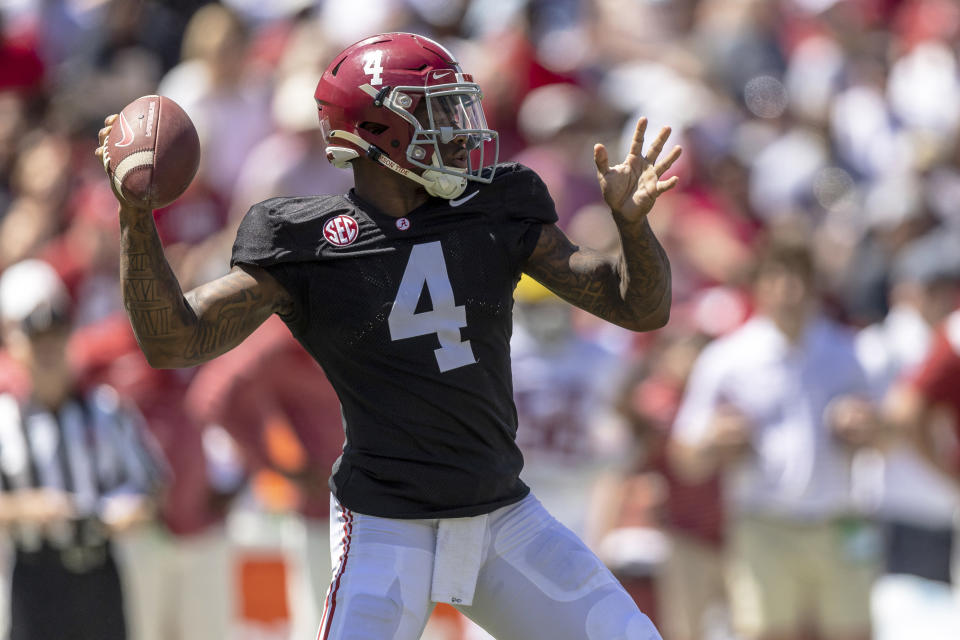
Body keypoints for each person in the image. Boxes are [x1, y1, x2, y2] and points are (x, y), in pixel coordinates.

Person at [96, 32, 677, 640]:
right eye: (437, 110)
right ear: (377, 131)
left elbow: (637, 309)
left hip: (502, 513)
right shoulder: (308, 240)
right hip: (384, 523)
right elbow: (174, 342)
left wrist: (632, 227)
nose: (459, 127)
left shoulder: (498, 207)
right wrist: (136, 218)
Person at [669, 239, 881, 640]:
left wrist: (865, 430)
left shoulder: (849, 353)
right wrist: (716, 440)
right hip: (763, 524)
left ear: (814, 285)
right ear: (759, 285)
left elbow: (885, 438)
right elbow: (685, 455)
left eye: (799, 277)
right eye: (778, 276)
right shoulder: (728, 358)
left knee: (852, 632)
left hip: (841, 522)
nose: (790, 290)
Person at [0, 259, 164, 640]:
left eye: (56, 337)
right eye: (36, 340)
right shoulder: (5, 420)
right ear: (15, 345)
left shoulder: (107, 409)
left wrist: (123, 515)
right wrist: (31, 508)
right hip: (34, 578)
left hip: (98, 572)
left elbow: (152, 488)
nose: (48, 350)